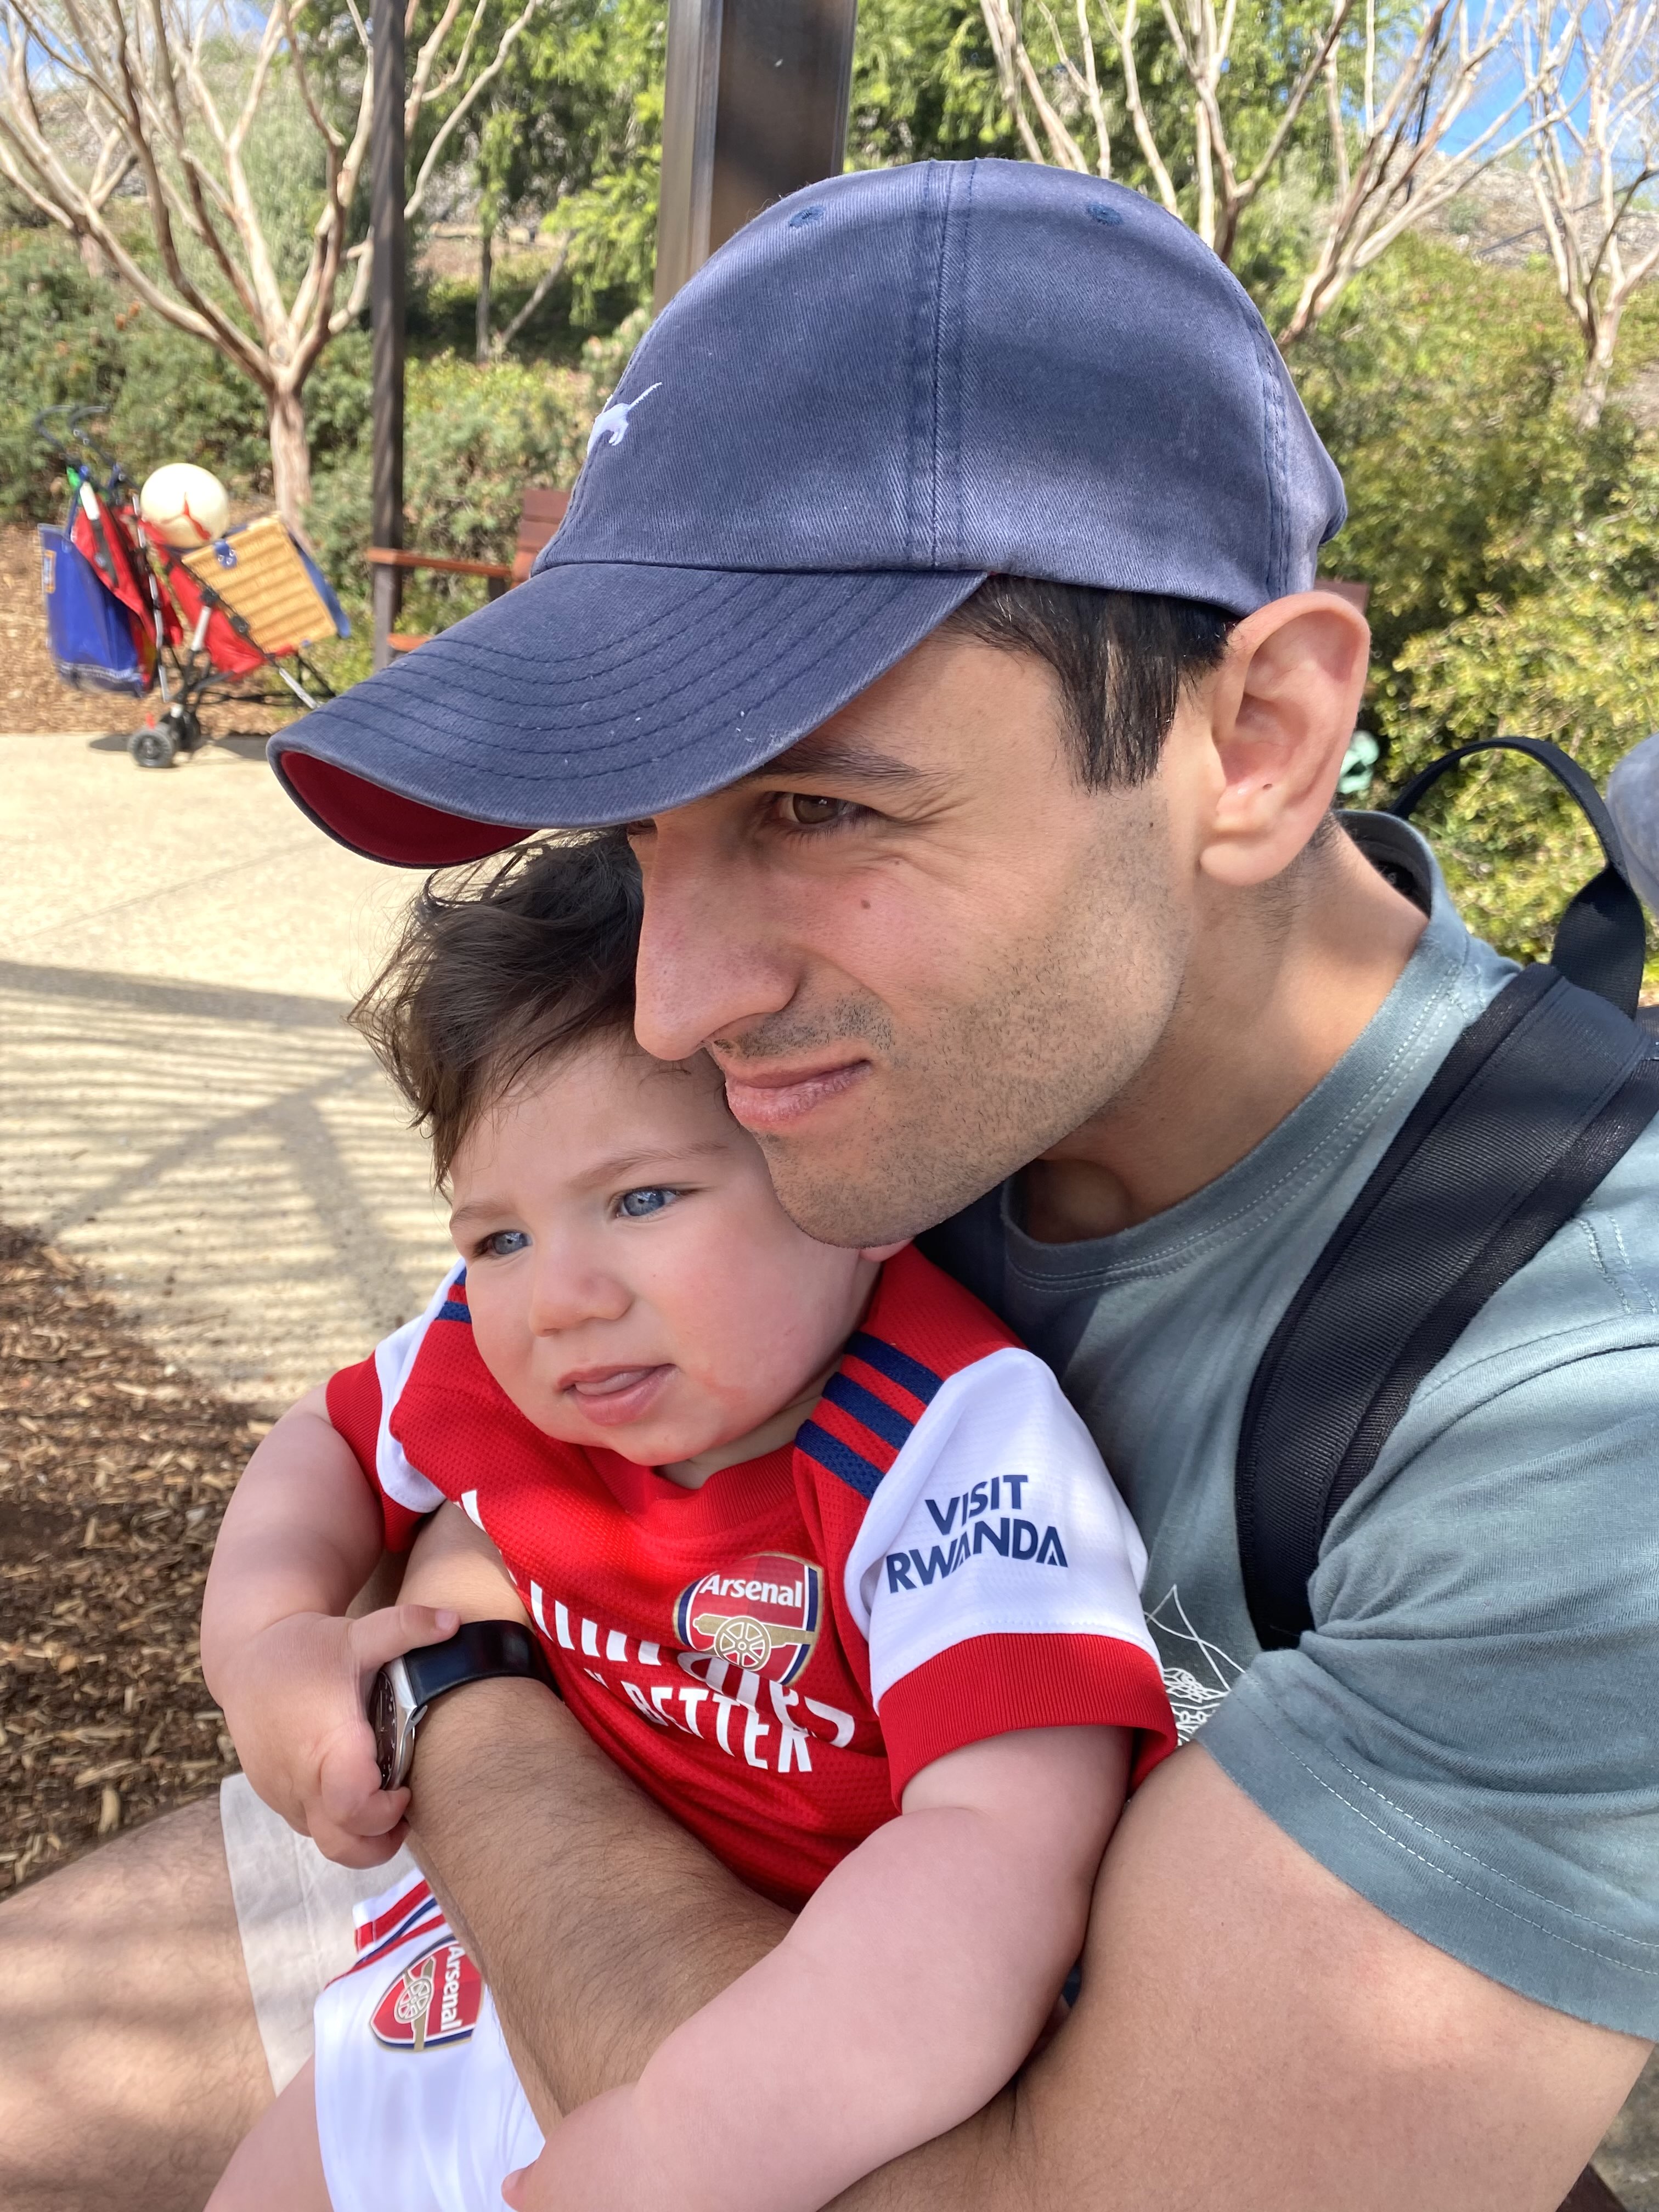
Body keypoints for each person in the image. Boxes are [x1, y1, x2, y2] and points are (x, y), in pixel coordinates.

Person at [4, 156, 1657, 2212]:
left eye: (815, 807)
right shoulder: (907, 1055)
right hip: (553, 1836)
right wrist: (427, 1640)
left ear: (1254, 739)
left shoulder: (1581, 1420)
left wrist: (464, 1677)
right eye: (644, 836)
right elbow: (457, 1437)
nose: (676, 1007)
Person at [198, 833, 1175, 2212]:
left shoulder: (952, 1446)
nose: (561, 1298)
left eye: (642, 1199)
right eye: (498, 1237)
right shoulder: (502, 1358)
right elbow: (333, 1438)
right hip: (477, 1955)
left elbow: (999, 1853)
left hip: (789, 2059)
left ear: (859, 1181)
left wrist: (697, 2135)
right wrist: (265, 1641)